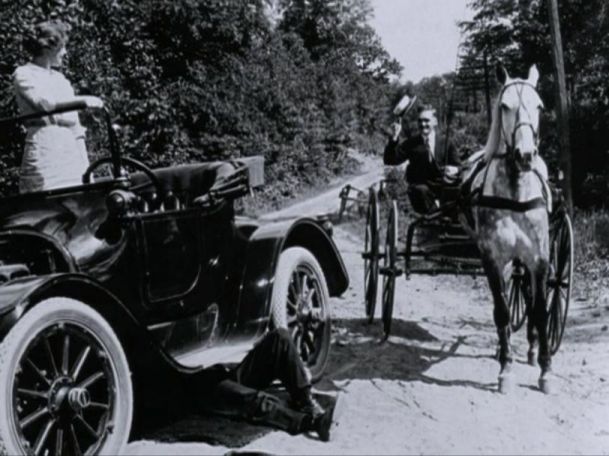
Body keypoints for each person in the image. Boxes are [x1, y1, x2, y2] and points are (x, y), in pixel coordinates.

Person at [187, 328, 344, 442]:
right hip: (197, 385)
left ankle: (306, 402)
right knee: (253, 399)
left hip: (219, 369)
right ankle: (311, 423)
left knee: (280, 338)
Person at [13, 19, 103, 193]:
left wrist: (86, 169)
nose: (65, 52)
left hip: (70, 153)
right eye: (62, 48)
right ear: (49, 48)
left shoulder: (61, 79)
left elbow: (76, 128)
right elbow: (43, 104)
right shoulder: (24, 74)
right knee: (48, 206)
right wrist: (82, 101)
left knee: (81, 201)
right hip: (45, 150)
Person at [384, 105, 461, 213]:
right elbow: (390, 160)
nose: (422, 124)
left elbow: (459, 166)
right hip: (420, 192)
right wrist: (394, 138)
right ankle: (436, 216)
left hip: (444, 189)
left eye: (426, 120)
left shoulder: (446, 142)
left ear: (435, 122)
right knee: (421, 190)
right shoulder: (411, 143)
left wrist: (455, 169)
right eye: (420, 121)